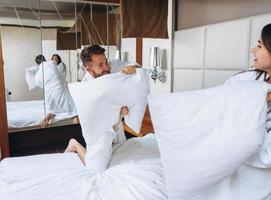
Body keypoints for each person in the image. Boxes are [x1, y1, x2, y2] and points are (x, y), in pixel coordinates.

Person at [65, 45, 140, 164]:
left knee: (123, 161)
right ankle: (74, 144)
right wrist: (118, 113)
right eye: (100, 65)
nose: (106, 67)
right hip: (99, 133)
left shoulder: (111, 67)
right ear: (88, 68)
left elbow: (137, 66)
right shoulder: (86, 90)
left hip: (117, 130)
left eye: (106, 62)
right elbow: (97, 120)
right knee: (95, 166)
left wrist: (130, 70)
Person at [34, 57, 78, 128]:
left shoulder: (38, 74)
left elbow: (39, 84)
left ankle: (44, 126)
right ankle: (77, 132)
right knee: (74, 112)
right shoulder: (51, 63)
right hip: (59, 91)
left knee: (51, 111)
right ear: (45, 59)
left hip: (49, 95)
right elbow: (58, 67)